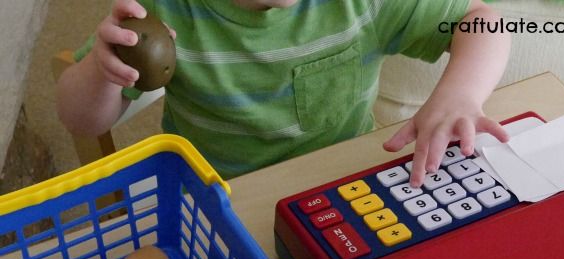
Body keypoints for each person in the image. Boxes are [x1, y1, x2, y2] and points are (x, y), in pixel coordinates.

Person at [56, 0, 510, 187]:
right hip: (221, 202)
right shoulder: (164, 10)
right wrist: (101, 70)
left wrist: (459, 96)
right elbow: (81, 119)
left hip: (342, 185)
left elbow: (484, 21)